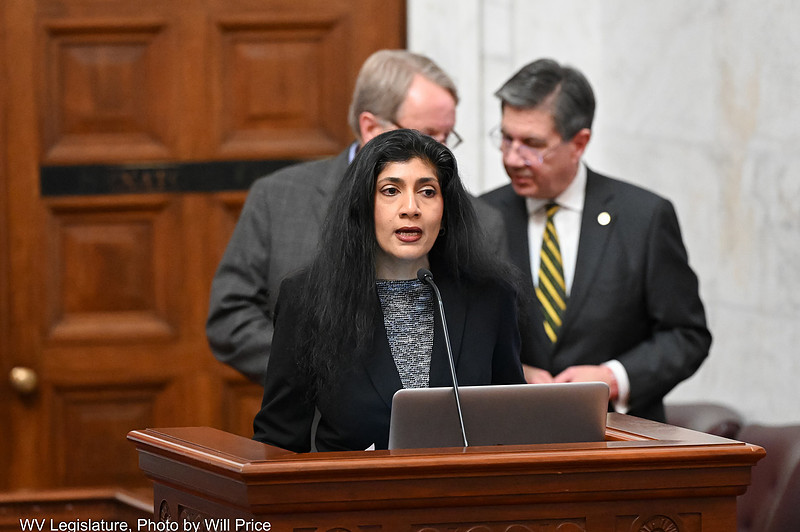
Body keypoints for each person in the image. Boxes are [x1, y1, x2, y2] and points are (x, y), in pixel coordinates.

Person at [207, 50, 507, 385]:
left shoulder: (482, 220)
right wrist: (320, 370)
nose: (439, 150)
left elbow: (494, 336)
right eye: (425, 135)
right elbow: (231, 317)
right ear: (370, 127)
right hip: (317, 424)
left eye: (445, 137)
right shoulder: (278, 198)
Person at [252, 129, 525, 452]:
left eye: (427, 191)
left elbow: (515, 426)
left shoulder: (490, 296)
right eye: (391, 190)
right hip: (351, 497)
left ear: (446, 210)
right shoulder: (308, 299)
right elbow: (278, 441)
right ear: (363, 206)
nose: (411, 208)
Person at [481, 58, 711, 423]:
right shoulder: (481, 215)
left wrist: (613, 378)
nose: (512, 158)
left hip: (618, 441)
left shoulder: (644, 218)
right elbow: (460, 331)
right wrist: (510, 371)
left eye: (532, 144)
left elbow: (687, 334)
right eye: (506, 138)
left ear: (579, 143)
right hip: (512, 437)